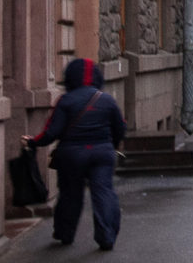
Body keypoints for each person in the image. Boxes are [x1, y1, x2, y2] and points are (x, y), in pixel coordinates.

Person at [25, 57, 125, 251]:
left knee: (70, 194)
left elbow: (51, 132)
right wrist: (110, 146)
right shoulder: (106, 100)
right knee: (103, 192)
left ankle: (65, 232)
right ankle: (106, 235)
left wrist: (33, 142)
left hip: (71, 155)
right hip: (102, 153)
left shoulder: (66, 100)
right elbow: (119, 129)